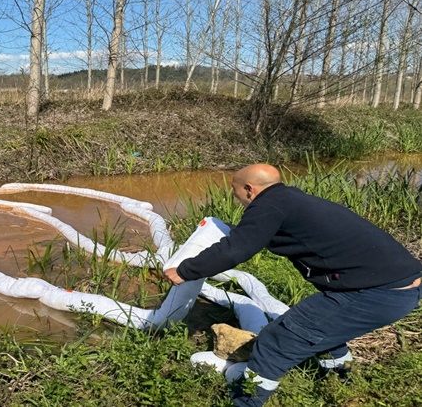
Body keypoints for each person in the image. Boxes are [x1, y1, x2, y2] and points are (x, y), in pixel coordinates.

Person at [164, 163, 422, 407]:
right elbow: (261, 236)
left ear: (249, 190)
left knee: (277, 340)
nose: (236, 198)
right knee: (326, 332)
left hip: (375, 293)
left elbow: (236, 250)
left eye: (235, 192)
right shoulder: (290, 200)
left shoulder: (268, 206)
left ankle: (246, 400)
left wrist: (186, 270)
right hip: (399, 285)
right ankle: (339, 381)